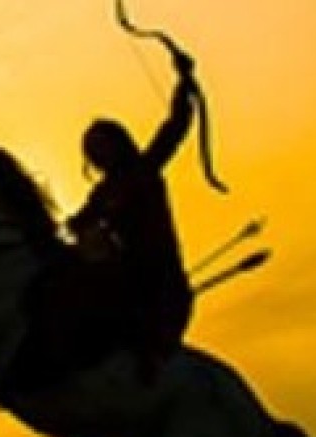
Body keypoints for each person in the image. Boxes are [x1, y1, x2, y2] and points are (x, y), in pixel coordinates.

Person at [16, 47, 199, 389]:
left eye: (101, 146)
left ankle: (146, 364)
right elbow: (76, 225)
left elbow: (175, 127)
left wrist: (184, 83)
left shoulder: (144, 169)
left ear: (118, 143)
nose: (98, 155)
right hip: (124, 271)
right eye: (92, 150)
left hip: (156, 276)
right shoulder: (101, 194)